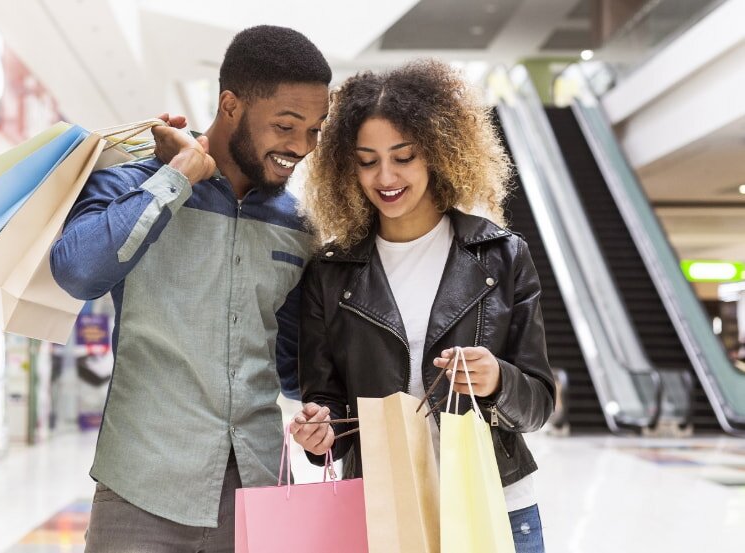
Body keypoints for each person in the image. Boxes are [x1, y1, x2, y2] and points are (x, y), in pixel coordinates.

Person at [50, 25, 331, 553]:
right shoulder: (131, 184)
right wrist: (177, 177)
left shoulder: (301, 225)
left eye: (315, 129)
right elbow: (77, 272)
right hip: (140, 493)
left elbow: (292, 368)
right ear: (230, 105)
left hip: (260, 493)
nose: (301, 147)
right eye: (286, 126)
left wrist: (322, 408)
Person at [291, 59, 555, 553]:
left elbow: (538, 403)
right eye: (367, 160)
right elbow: (326, 405)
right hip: (384, 510)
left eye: (404, 156)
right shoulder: (330, 274)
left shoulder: (501, 256)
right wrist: (318, 433)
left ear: (437, 153)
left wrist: (498, 379)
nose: (385, 176)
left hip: (494, 503)